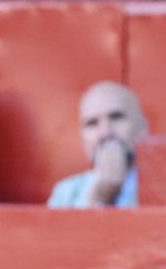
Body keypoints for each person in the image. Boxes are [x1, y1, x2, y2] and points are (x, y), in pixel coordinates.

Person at [49, 81, 146, 209]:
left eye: (116, 117)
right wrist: (98, 199)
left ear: (142, 127)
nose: (105, 133)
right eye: (92, 123)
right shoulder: (66, 193)